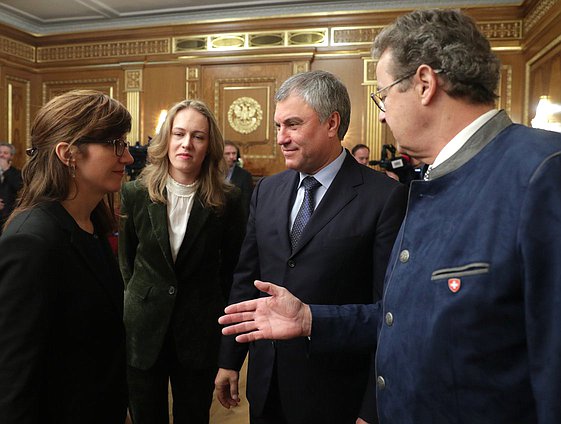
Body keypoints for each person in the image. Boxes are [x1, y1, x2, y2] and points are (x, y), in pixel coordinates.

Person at [218, 9, 561, 424]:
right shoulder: (436, 179)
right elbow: (401, 317)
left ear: (424, 84)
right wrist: (311, 318)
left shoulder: (544, 172)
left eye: (383, 95)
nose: (380, 114)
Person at [215, 70, 407, 424]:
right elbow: (246, 279)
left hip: (335, 393)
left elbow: (389, 312)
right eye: (277, 127)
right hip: (266, 383)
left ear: (331, 123)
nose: (281, 138)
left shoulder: (384, 198)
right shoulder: (267, 191)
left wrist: (371, 407)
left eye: (292, 125)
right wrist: (230, 359)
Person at [0, 90, 133, 423]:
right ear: (68, 153)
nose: (127, 157)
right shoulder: (33, 240)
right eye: (115, 144)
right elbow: (14, 378)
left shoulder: (90, 224)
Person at [118, 99, 246, 424]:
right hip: (143, 331)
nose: (186, 143)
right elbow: (127, 262)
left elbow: (232, 271)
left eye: (198, 136)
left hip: (199, 331)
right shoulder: (136, 193)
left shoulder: (228, 200)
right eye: (179, 133)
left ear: (209, 146)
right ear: (167, 139)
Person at [224, 140, 253, 219]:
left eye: (234, 153)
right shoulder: (212, 173)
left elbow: (246, 204)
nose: (232, 157)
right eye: (227, 154)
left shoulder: (245, 176)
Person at [0, 142, 23, 233]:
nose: (1, 155)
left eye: (5, 153)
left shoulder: (17, 174)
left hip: (9, 220)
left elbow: (20, 189)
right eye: (0, 152)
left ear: (11, 156)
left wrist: (6, 170)